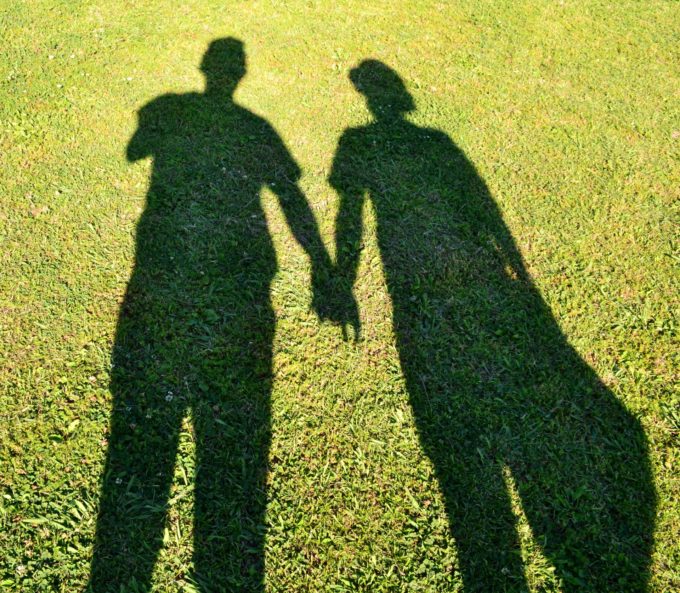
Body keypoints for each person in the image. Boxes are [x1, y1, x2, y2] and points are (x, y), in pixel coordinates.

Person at [324, 59, 655, 592]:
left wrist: (343, 278)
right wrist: (514, 267)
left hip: (414, 293)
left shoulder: (363, 142)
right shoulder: (429, 142)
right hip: (442, 287)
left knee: (455, 447)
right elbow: (480, 207)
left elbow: (354, 213)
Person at [88, 38, 331, 592]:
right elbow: (289, 193)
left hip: (165, 272)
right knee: (234, 432)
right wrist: (320, 263)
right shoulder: (256, 127)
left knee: (142, 432)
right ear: (239, 75)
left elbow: (134, 150)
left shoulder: (170, 110)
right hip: (239, 282)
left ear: (204, 69)